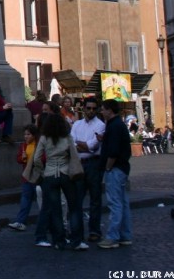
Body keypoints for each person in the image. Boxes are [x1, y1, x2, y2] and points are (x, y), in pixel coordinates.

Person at [32, 112, 86, 251]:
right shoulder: (67, 137)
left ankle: (58, 240)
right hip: (66, 173)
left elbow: (37, 158)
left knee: (55, 209)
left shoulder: (44, 138)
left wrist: (43, 172)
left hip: (50, 174)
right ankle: (76, 240)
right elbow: (74, 155)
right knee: (73, 208)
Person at [97, 98, 132, 249]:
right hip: (122, 168)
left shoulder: (114, 126)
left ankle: (112, 237)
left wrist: (108, 167)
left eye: (103, 109)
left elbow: (113, 151)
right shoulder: (117, 125)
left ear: (110, 110)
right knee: (122, 203)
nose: (101, 111)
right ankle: (125, 235)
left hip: (115, 168)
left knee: (115, 203)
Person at [71, 96, 105, 242]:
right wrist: (84, 145)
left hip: (94, 164)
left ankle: (94, 231)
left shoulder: (100, 125)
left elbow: (93, 146)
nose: (91, 111)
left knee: (95, 199)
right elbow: (71, 144)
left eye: (94, 108)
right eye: (88, 108)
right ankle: (77, 231)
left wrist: (81, 144)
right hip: (79, 163)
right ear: (83, 108)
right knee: (77, 198)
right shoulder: (77, 124)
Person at [8, 124, 39, 231]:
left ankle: (47, 222)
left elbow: (43, 158)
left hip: (38, 175)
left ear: (34, 135)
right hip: (27, 175)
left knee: (42, 200)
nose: (26, 137)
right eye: (25, 134)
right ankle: (20, 221)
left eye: (28, 134)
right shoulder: (23, 146)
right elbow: (18, 158)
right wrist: (23, 158)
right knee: (25, 199)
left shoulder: (39, 145)